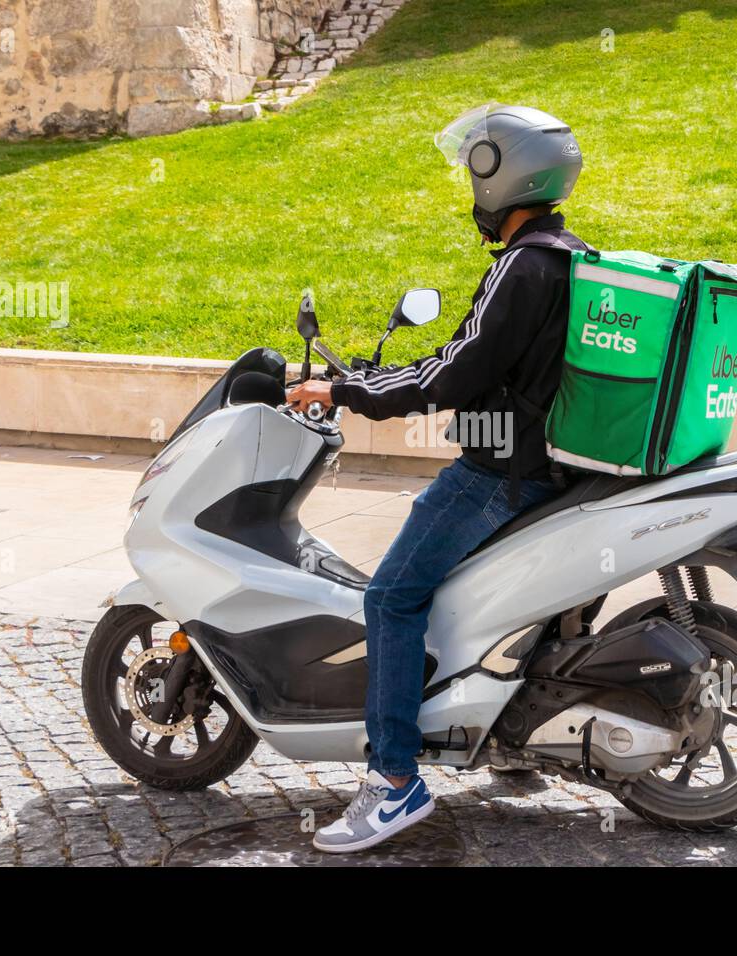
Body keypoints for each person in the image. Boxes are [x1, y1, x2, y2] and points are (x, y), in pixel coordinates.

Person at [286, 104, 588, 853]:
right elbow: (464, 361)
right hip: (548, 468)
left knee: (391, 598)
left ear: (501, 174)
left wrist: (347, 392)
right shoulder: (573, 255)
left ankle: (393, 782)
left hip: (497, 473)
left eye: (474, 169)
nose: (469, 186)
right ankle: (511, 749)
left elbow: (454, 375)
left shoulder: (523, 265)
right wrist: (371, 378)